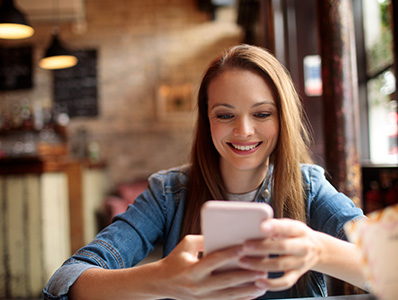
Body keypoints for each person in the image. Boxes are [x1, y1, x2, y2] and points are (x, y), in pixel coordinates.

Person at [43, 44, 367, 300]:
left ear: (283, 118)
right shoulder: (168, 193)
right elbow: (65, 282)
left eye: (262, 113)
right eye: (225, 115)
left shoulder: (308, 187)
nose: (243, 130)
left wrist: (318, 250)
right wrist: (162, 280)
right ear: (207, 120)